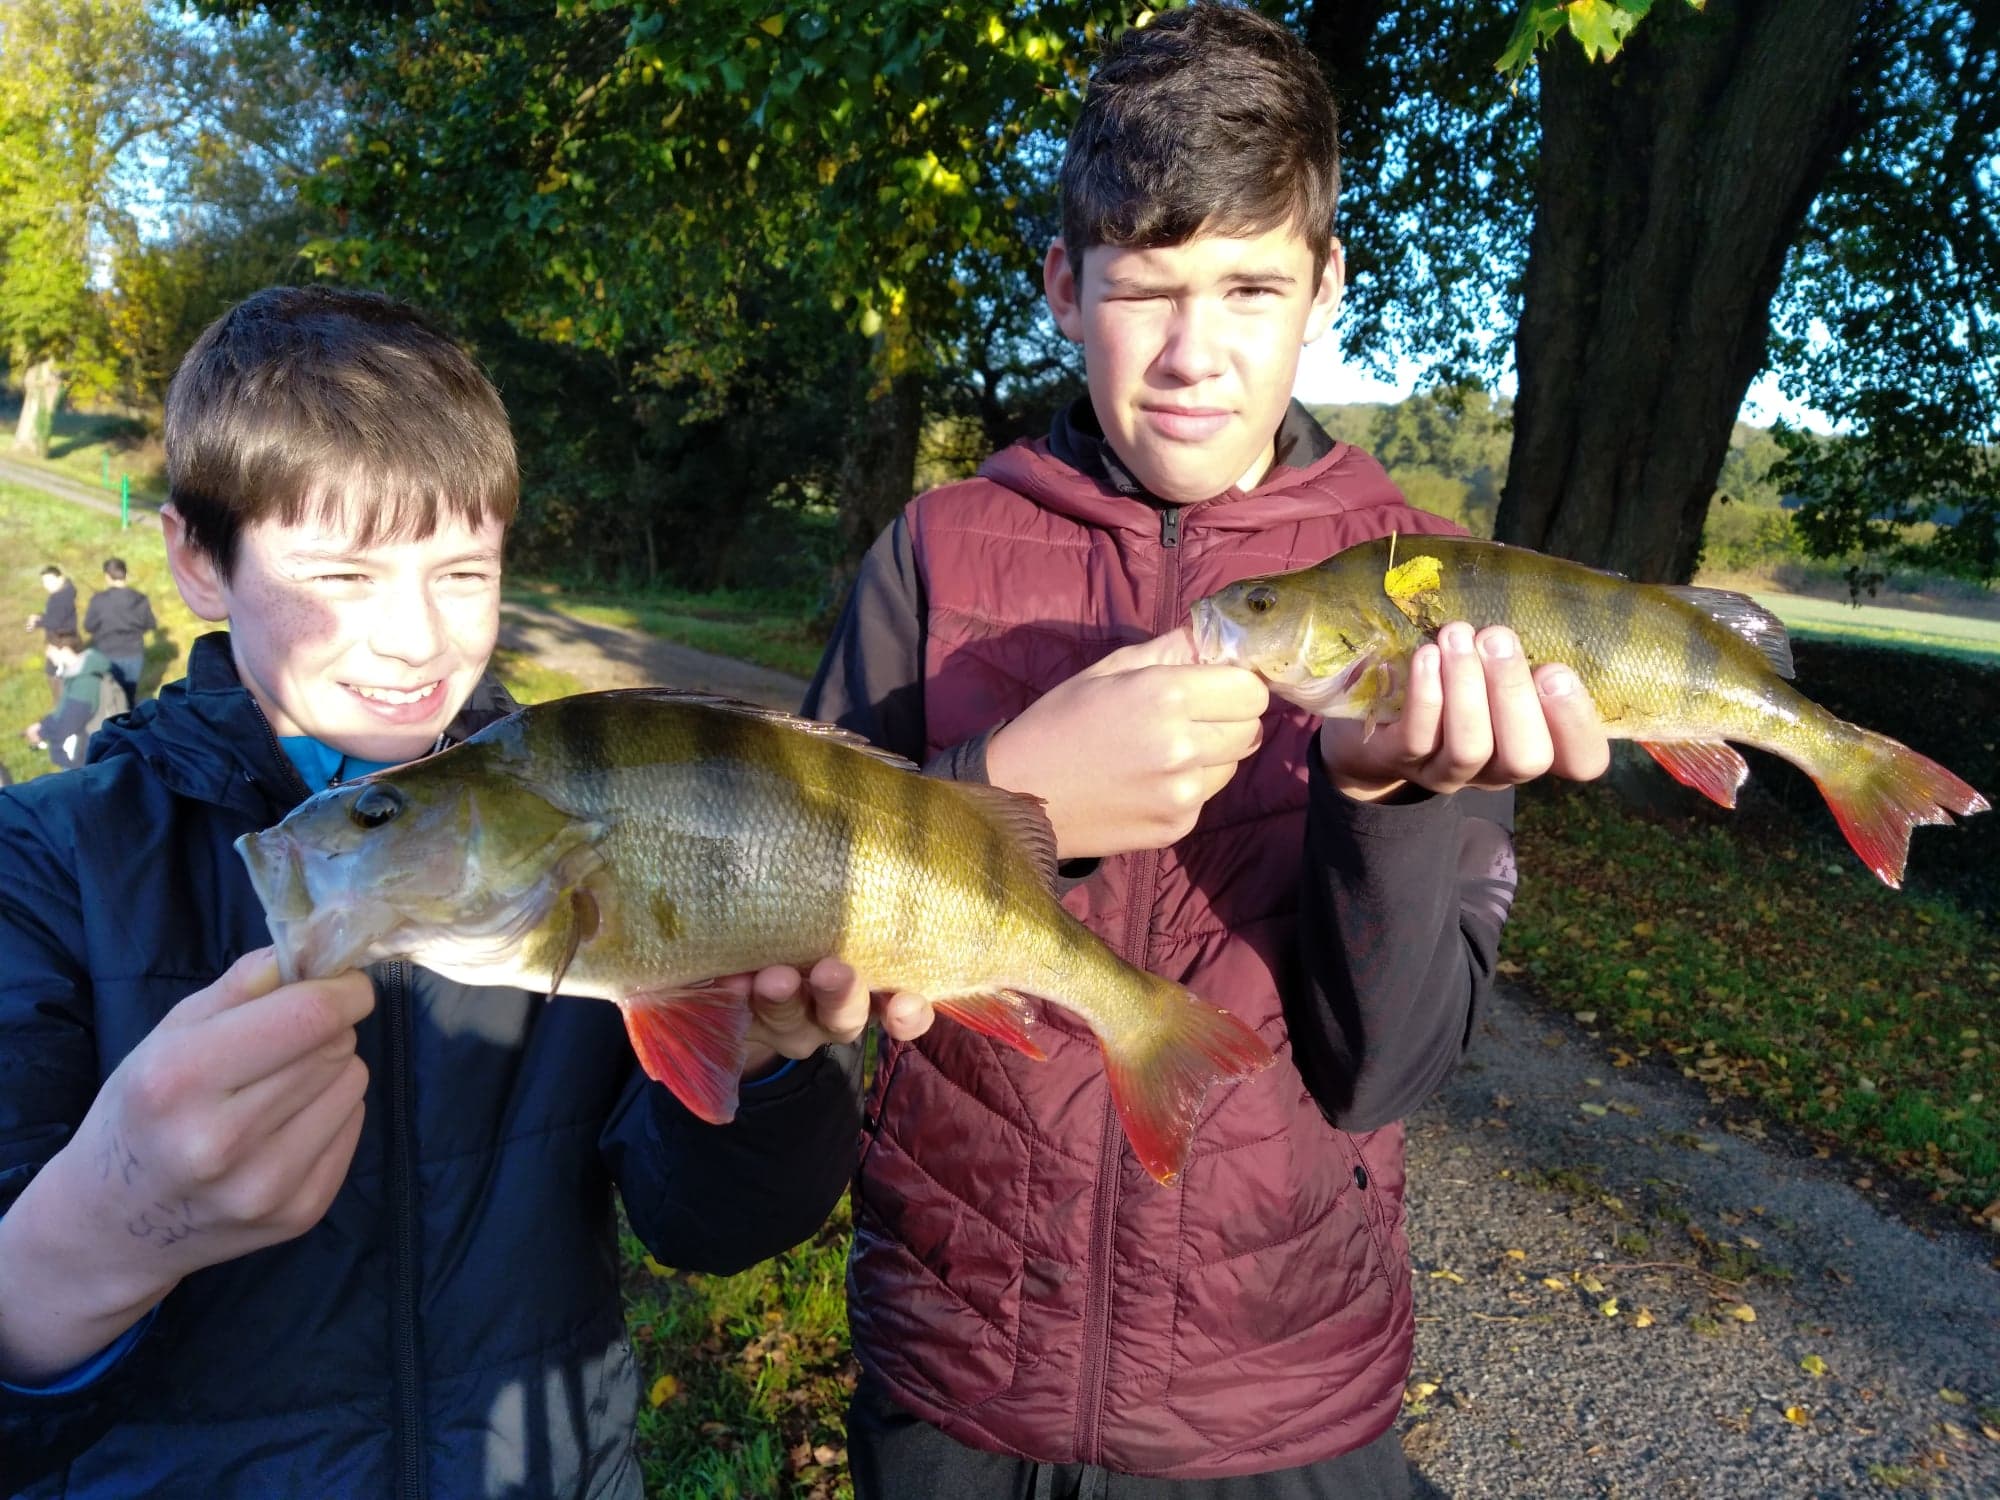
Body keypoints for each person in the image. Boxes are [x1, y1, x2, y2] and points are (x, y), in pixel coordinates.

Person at [803, 7, 1611, 1496]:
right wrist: (1011, 792)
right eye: (1143, 287)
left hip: (1285, 1410)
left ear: (1327, 291)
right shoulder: (932, 553)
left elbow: (1389, 1074)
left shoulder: (1432, 588)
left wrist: (1390, 804)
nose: (1192, 350)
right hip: (954, 1391)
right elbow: (797, 930)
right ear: (1063, 288)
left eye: (1250, 284)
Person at [0, 285, 934, 1499]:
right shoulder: (47, 862)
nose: (414, 640)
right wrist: (111, 1222)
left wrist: (765, 1074)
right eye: (341, 571)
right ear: (198, 560)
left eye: (461, 572)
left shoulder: (582, 828)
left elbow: (708, 1230)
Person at [21, 630, 125, 771]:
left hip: (85, 755)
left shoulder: (85, 682)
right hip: (84, 748)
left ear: (63, 649)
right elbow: (65, 710)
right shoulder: (77, 672)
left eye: (50, 650)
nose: (47, 655)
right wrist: (42, 724)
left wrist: (40, 733)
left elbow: (69, 724)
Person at [82, 557, 157, 706]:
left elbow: (88, 626)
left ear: (107, 576)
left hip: (107, 654)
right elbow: (150, 624)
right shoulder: (141, 599)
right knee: (128, 696)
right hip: (134, 654)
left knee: (109, 699)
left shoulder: (98, 600)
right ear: (126, 574)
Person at [23, 564, 77, 710]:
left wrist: (36, 623)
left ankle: (63, 713)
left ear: (60, 578)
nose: (47, 585)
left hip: (62, 642)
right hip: (61, 640)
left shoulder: (62, 597)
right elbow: (56, 617)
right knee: (55, 675)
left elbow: (55, 621)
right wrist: (40, 617)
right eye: (44, 582)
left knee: (57, 677)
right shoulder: (62, 593)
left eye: (50, 581)